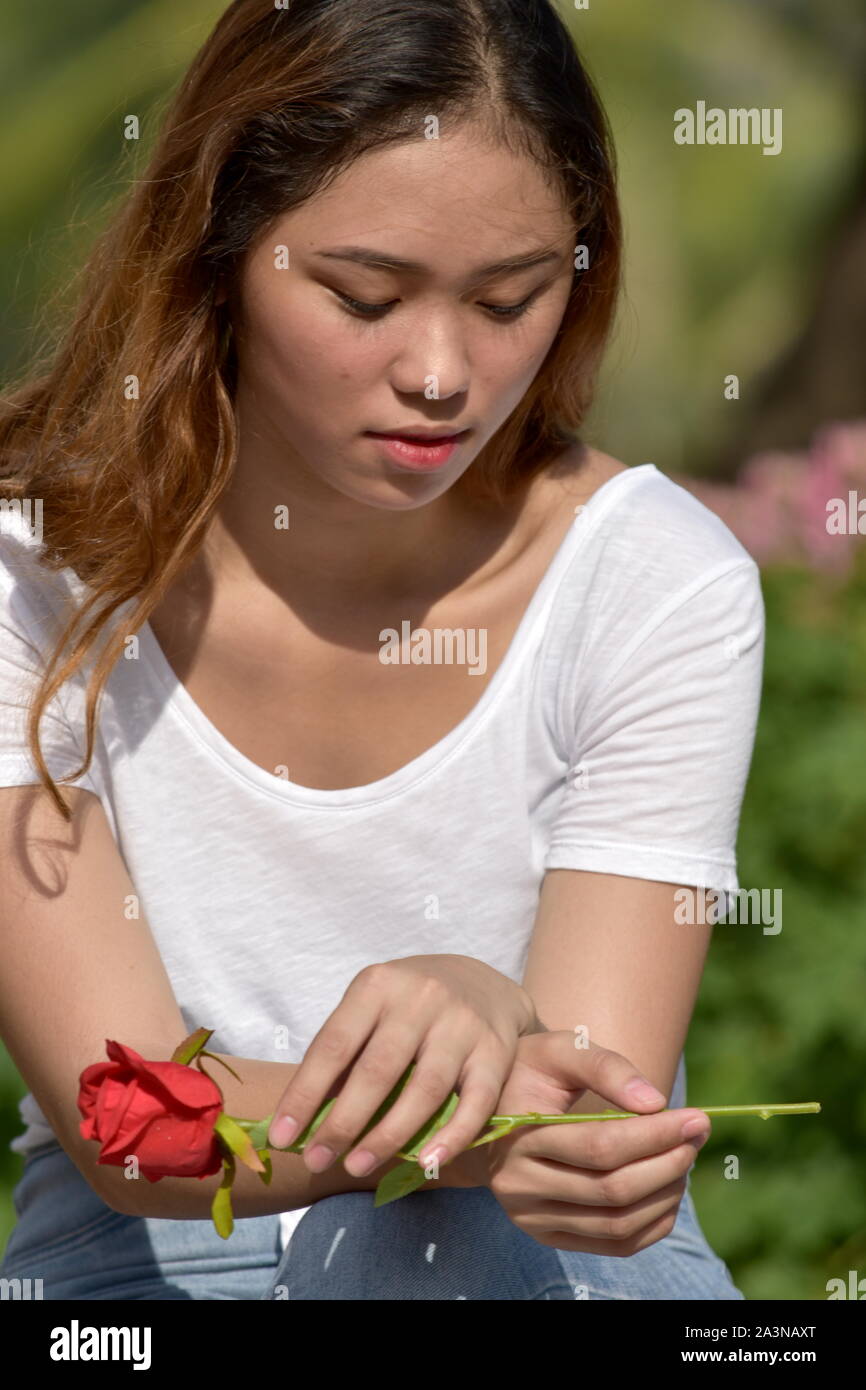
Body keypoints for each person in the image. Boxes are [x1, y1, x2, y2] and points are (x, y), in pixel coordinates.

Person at [0, 0, 761, 1300]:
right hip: (161, 1260)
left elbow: (583, 1115)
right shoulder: (30, 567)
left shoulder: (655, 582)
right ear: (218, 250)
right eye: (364, 295)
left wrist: (537, 1085)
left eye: (511, 297)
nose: (440, 373)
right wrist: (465, 1075)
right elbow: (131, 1124)